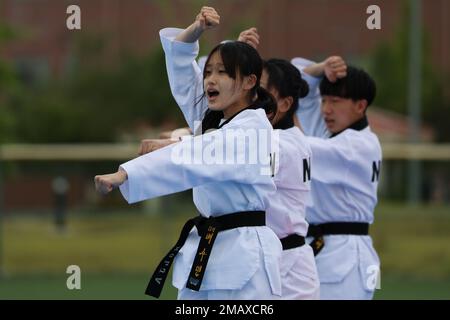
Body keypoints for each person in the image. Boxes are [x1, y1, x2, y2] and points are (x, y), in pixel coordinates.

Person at [95, 6, 283, 300]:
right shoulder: (212, 118)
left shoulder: (253, 128)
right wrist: (197, 29)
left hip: (244, 258)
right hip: (207, 250)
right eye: (208, 71)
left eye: (222, 72)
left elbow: (198, 155)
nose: (210, 79)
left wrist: (126, 173)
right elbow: (183, 72)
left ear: (249, 82)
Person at [158, 25, 320, 299]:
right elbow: (204, 104)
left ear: (284, 103)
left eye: (260, 88)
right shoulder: (261, 133)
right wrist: (236, 53)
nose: (254, 94)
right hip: (256, 253)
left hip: (285, 262)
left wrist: (177, 142)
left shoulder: (277, 144)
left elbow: (226, 150)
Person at [292, 57, 382, 300]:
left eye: (335, 101)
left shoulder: (356, 146)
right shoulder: (335, 134)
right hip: (331, 248)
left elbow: (296, 146)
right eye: (324, 100)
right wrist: (322, 69)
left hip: (345, 254)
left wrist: (285, 107)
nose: (325, 109)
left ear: (360, 106)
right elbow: (299, 80)